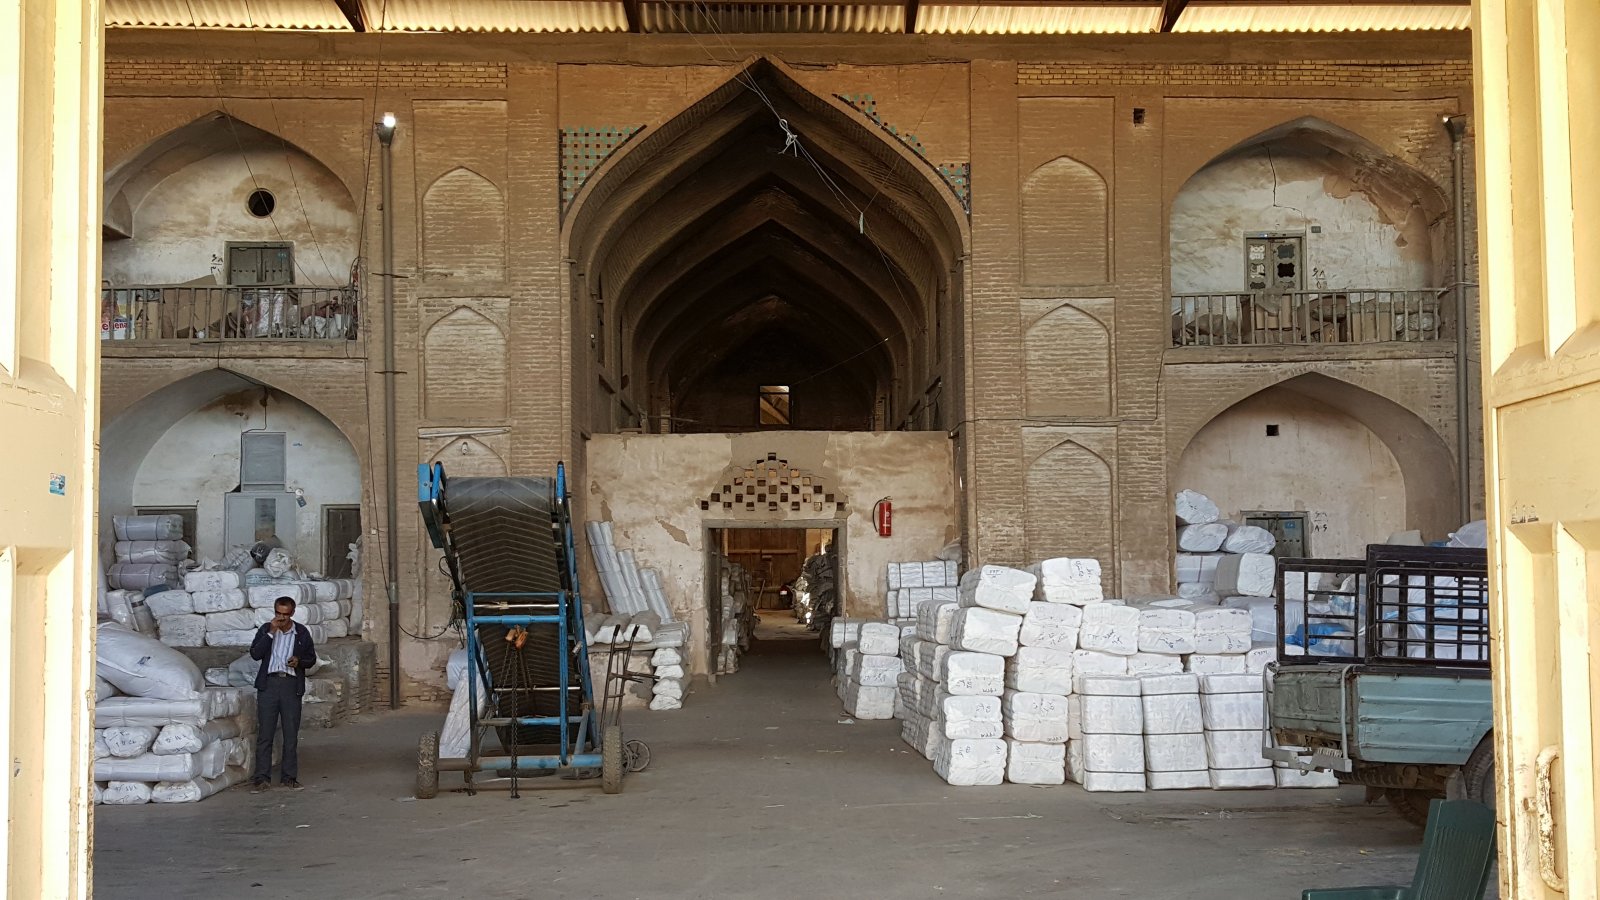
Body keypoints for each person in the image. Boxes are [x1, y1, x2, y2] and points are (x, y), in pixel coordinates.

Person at [248, 595, 316, 792]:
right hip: (268, 685)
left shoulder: (301, 633)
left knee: (290, 734)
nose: (281, 618)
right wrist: (271, 633)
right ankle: (262, 777)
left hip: (291, 685)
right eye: (278, 613)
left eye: (285, 614)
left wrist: (299, 662)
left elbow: (311, 659)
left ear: (292, 613)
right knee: (265, 733)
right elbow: (255, 654)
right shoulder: (266, 629)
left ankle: (289, 777)